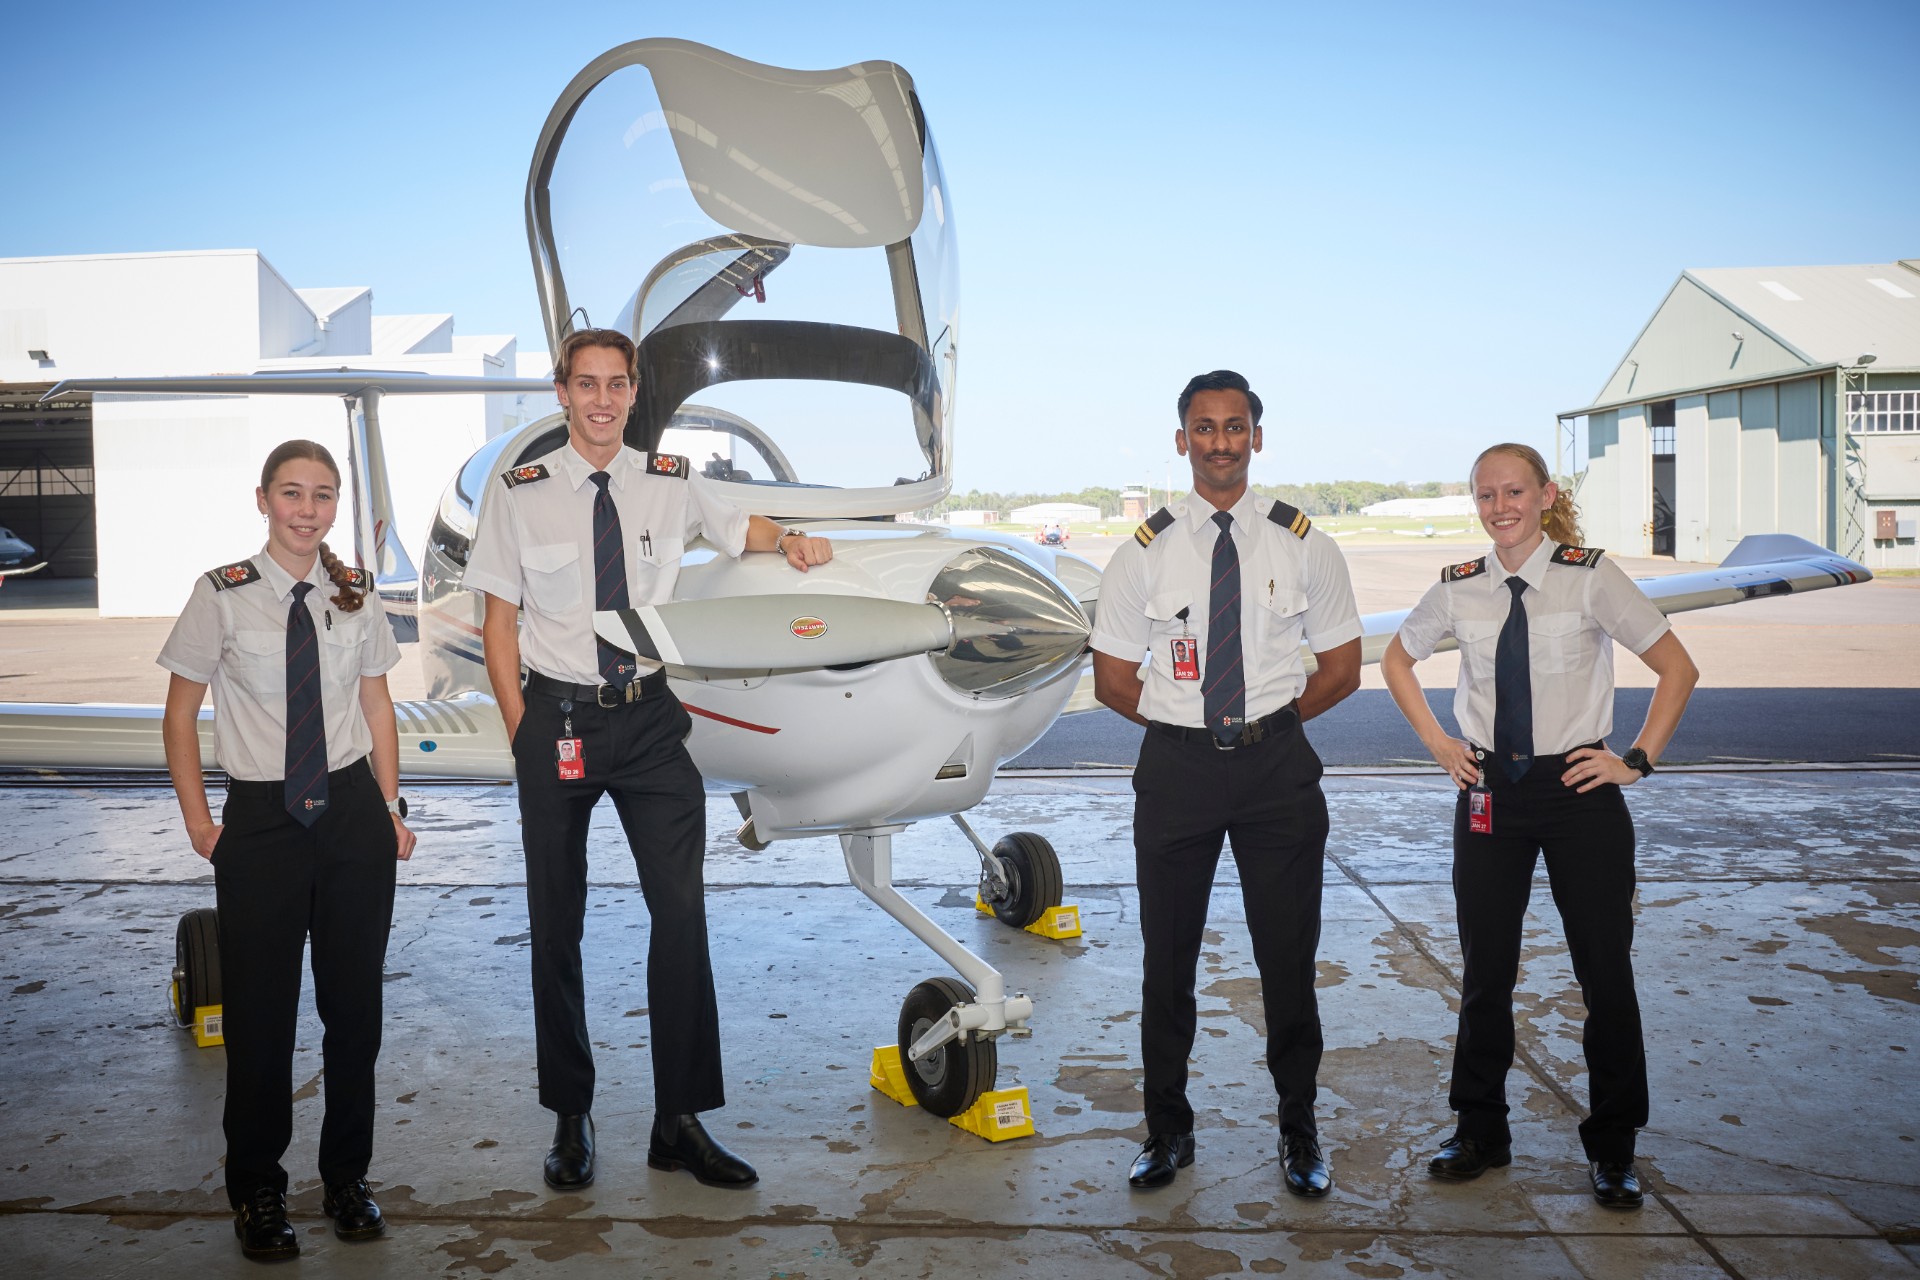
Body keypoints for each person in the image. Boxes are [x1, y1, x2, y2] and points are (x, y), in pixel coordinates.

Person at [463, 327, 832, 1192]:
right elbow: (499, 626)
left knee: (682, 915)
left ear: (634, 395)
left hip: (651, 723)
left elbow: (742, 527)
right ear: (561, 392)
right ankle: (571, 1115)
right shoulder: (519, 494)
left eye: (616, 385)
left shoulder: (671, 484)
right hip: (557, 720)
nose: (601, 400)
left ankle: (679, 1119)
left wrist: (794, 542)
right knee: (557, 924)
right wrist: (525, 732)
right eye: (585, 384)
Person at [1380, 442, 1698, 1209]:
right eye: (1486, 495)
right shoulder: (1460, 588)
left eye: (1514, 491)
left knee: (1605, 973)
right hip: (1490, 790)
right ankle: (1480, 1129)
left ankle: (1615, 1147)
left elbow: (1677, 667)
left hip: (1579, 790)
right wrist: (1440, 744)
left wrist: (1636, 761)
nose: (1501, 507)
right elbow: (1396, 659)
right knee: (1486, 973)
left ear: (1545, 493)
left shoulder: (1590, 576)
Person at [1091, 370, 1362, 1196]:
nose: (1219, 441)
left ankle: (1299, 1129)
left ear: (1256, 436)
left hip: (1277, 772)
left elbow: (1345, 666)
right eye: (1203, 427)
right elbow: (1109, 678)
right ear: (1182, 441)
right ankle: (1167, 1131)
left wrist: (1263, 725)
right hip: (1177, 772)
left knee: (1289, 959)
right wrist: (1191, 727)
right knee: (1166, 962)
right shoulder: (1147, 551)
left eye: (1234, 426)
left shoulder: (1303, 542)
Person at [159, 439, 417, 1261]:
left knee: (355, 1017)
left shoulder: (355, 594)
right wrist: (202, 825)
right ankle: (259, 1193)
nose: (308, 510)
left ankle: (347, 1179)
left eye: (323, 496)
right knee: (262, 1022)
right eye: (293, 494)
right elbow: (179, 715)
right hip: (262, 822)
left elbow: (378, 708)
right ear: (263, 499)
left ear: (335, 506)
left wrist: (389, 809)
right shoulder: (221, 595)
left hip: (349, 819)